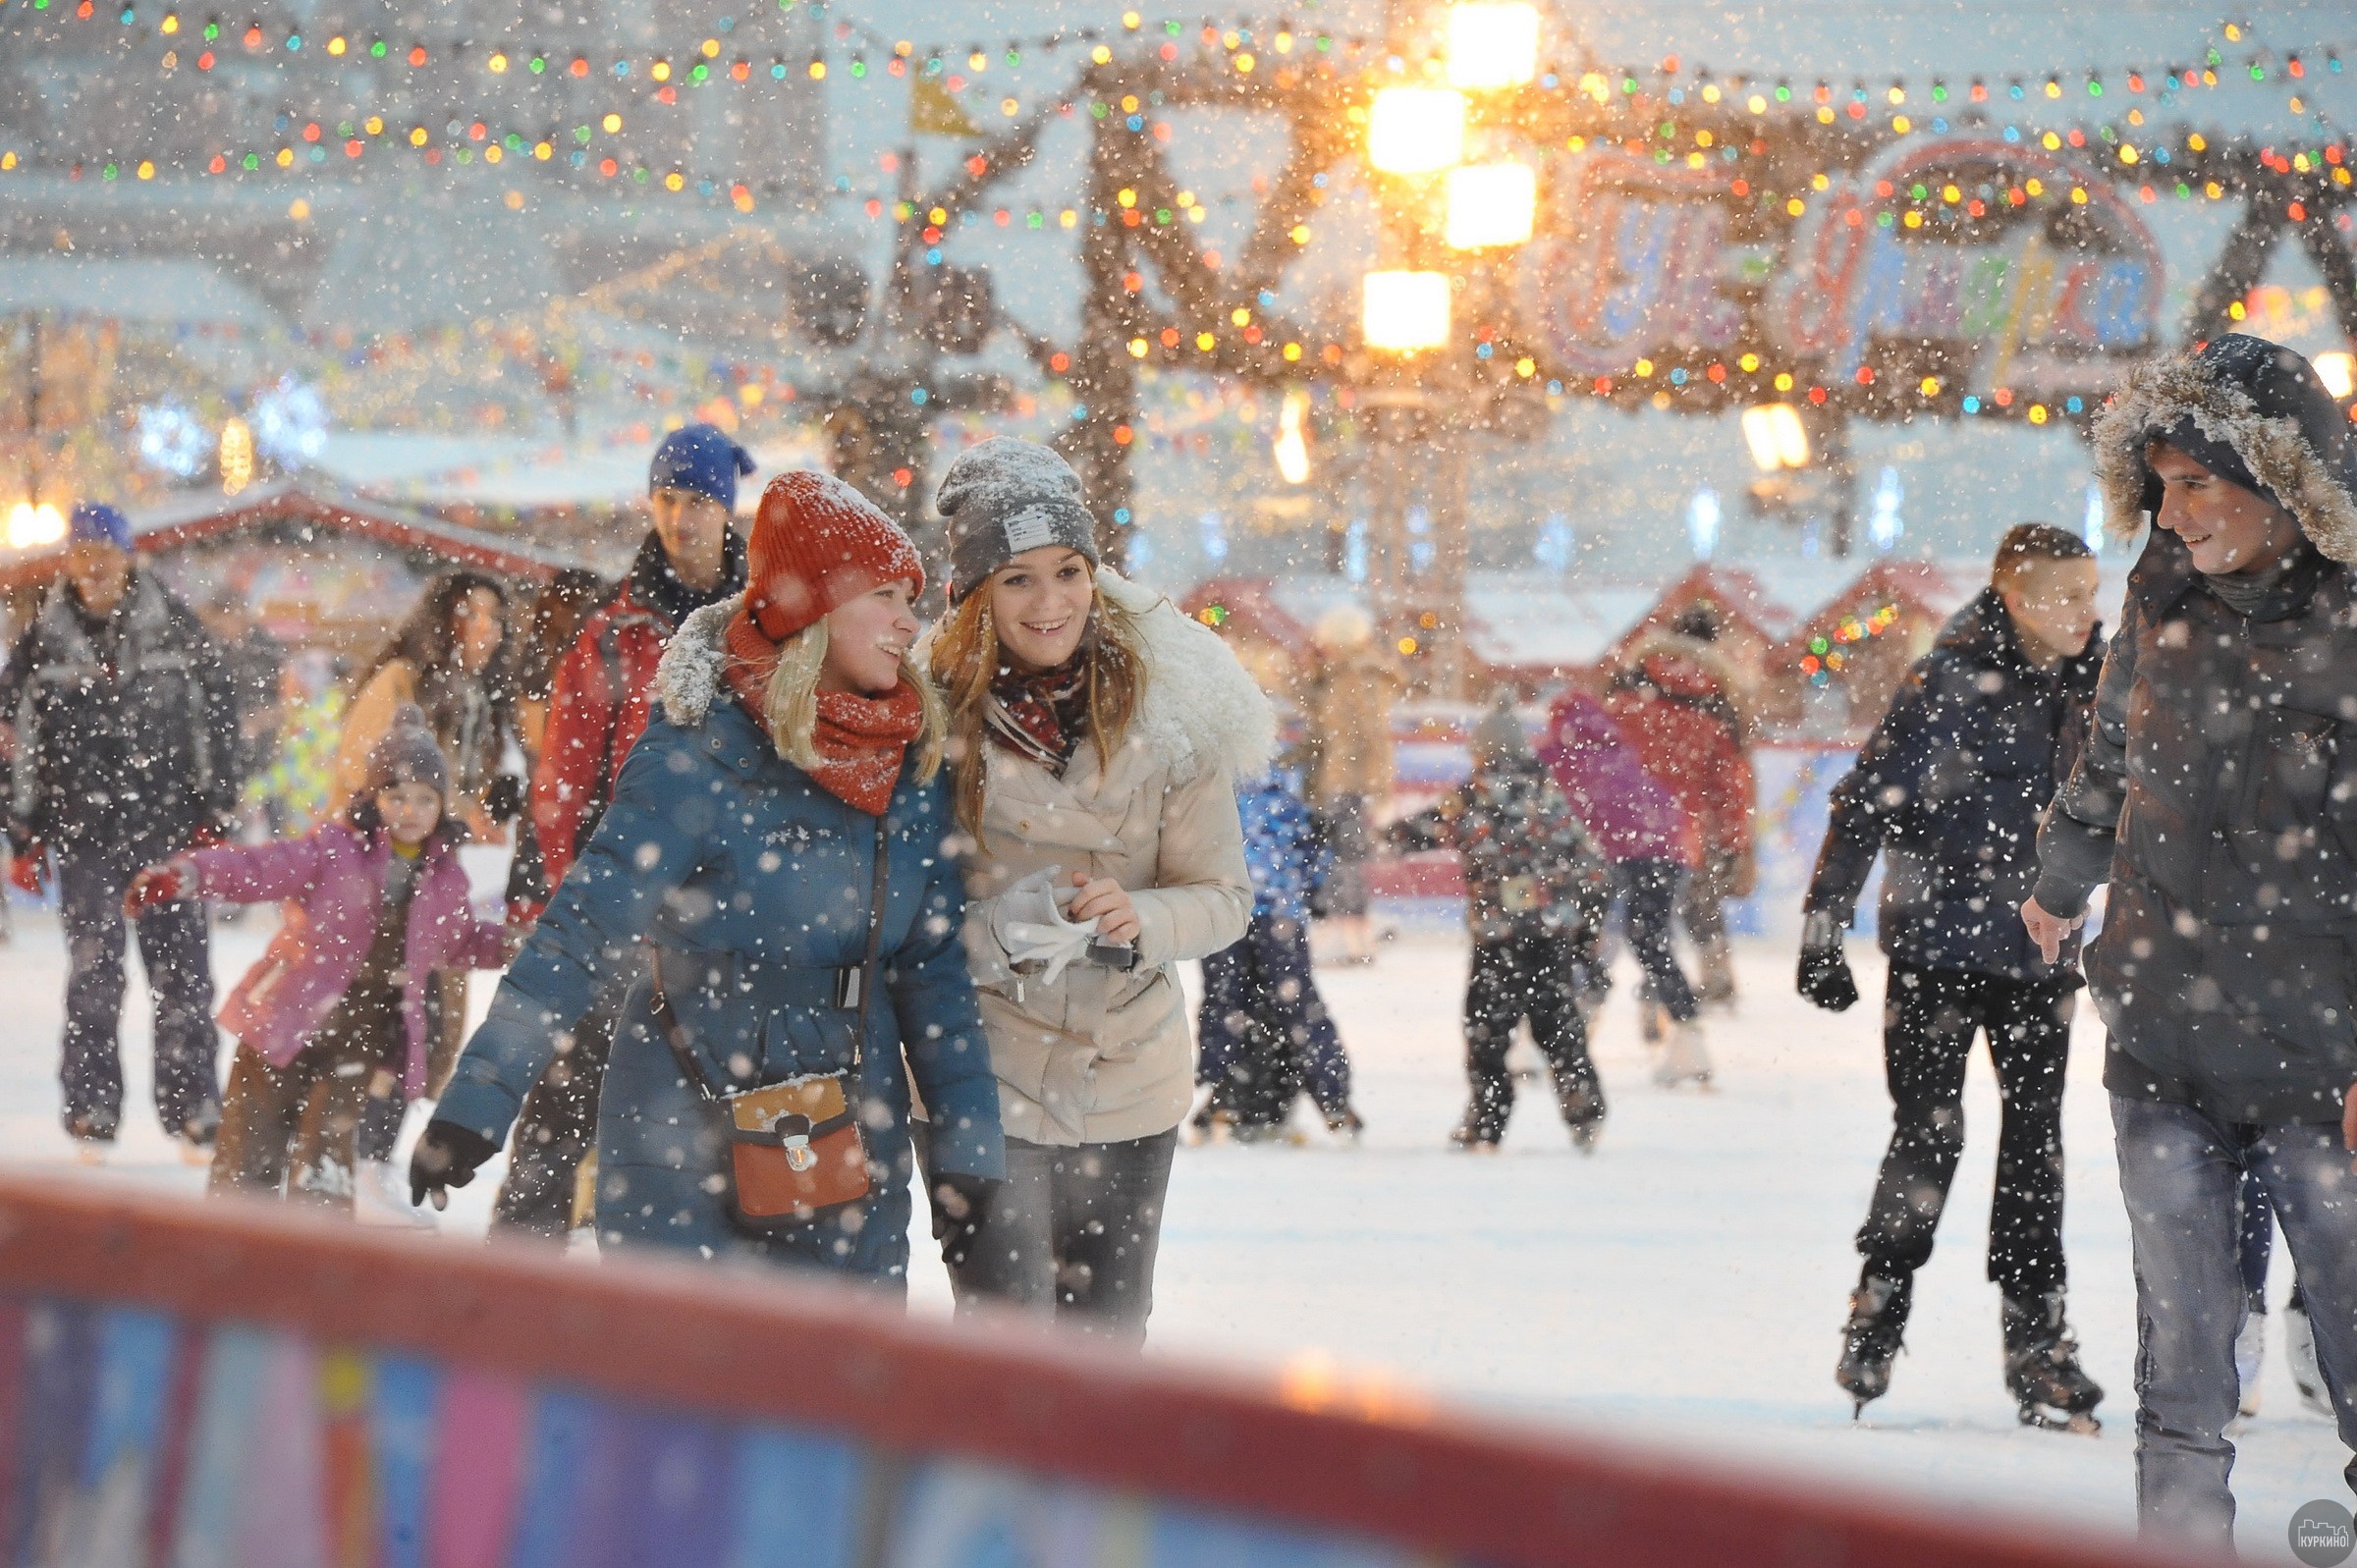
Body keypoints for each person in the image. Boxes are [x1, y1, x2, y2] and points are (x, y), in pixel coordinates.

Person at [411, 471, 1004, 1284]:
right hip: (681, 1133)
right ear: (813, 609)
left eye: (914, 596)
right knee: (682, 1396)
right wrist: (477, 1101)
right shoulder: (697, 753)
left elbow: (933, 970)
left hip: (847, 1133)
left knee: (835, 1394)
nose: (911, 621)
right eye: (886, 596)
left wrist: (967, 1151)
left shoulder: (910, 763)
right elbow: (580, 931)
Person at [2023, 334, 2357, 1546]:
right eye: (2159, 483)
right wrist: (2061, 880)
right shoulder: (2158, 588)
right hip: (2164, 1040)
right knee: (2181, 1368)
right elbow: (2110, 753)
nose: (2174, 511)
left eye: (2200, 481)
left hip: (2330, 1060)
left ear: (2283, 483)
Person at [920, 436, 1266, 1342]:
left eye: (1068, 571)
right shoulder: (924, 718)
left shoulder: (1168, 711)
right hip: (980, 1074)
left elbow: (1224, 897)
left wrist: (1142, 914)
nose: (1050, 603)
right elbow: (890, 918)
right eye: (1017, 579)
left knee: (1105, 1356)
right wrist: (1000, 930)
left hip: (1129, 1073)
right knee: (1007, 1352)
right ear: (972, 595)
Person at [1798, 523, 2107, 1431]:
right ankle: (1879, 1307)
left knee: (2034, 1144)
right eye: (2068, 595)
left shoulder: (2101, 681)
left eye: (2093, 591)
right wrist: (1824, 921)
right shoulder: (1946, 680)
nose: (2089, 611)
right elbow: (1866, 801)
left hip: (2039, 954)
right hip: (1936, 951)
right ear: (2015, 597)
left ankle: (2037, 1341)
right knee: (1928, 1135)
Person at [493, 424, 752, 1240]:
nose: (681, 516)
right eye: (668, 497)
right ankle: (516, 1271)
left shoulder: (764, 626)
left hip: (730, 913)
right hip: (623, 902)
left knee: (716, 1115)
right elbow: (564, 780)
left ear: (727, 507)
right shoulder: (611, 632)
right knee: (566, 1094)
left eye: (699, 499)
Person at [130, 705, 508, 1219]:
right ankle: (232, 1252)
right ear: (374, 799)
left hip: (358, 1039)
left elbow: (455, 943)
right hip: (286, 1018)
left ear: (442, 807)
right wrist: (190, 874)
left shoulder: (446, 878)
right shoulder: (334, 850)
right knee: (250, 1154)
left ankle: (315, 1267)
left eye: (425, 799)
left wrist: (514, 944)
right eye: (397, 795)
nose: (411, 810)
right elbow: (260, 868)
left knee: (325, 1165)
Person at [1, 502, 239, 1157]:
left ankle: (195, 1108)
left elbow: (217, 712)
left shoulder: (173, 628)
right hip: (83, 832)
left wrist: (216, 809)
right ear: (68, 560)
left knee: (184, 974)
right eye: (82, 551)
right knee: (94, 976)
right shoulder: (44, 639)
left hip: (167, 826)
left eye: (105, 550)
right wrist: (21, 832)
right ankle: (92, 1109)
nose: (94, 564)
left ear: (128, 555)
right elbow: (13, 737)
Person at [332, 569, 522, 1101]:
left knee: (434, 1027)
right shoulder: (402, 679)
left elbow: (463, 784)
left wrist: (490, 799)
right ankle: (354, 1151)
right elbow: (363, 773)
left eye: (495, 617)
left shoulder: (482, 698)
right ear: (441, 621)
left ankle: (383, 1148)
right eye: (469, 613)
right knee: (373, 1024)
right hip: (375, 875)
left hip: (435, 875)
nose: (484, 628)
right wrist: (449, 805)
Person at [1394, 696, 1612, 1151]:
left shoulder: (1473, 796)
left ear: (1484, 752)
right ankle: (1583, 1106)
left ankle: (1487, 1116)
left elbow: (1421, 831)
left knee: (1487, 1029)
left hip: (1499, 936)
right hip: (1553, 932)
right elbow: (1591, 866)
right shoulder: (1550, 797)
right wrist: (1586, 930)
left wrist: (1363, 835)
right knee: (1558, 1023)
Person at [1537, 686, 1713, 1087]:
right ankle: (1690, 1042)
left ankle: (1571, 1028)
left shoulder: (1556, 755)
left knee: (1576, 939)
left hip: (1604, 854)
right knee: (1652, 942)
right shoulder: (1622, 747)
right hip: (1667, 850)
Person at [1195, 760, 1359, 1143]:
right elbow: (1315, 852)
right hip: (1279, 916)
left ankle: (1225, 1091)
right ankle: (1333, 1097)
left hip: (1225, 912)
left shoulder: (1210, 795)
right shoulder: (1285, 800)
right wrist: (1311, 890)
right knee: (1297, 1005)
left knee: (1226, 1002)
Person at [1606, 608, 1755, 1005]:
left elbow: (1596, 754)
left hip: (1620, 821)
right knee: (1697, 902)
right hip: (1687, 827)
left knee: (1613, 911)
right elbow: (1729, 784)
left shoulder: (1627, 686)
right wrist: (1734, 840)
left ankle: (1588, 990)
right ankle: (1711, 977)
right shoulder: (1717, 701)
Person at [1301, 606, 1404, 964]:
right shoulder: (1338, 675)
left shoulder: (1359, 678)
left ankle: (1352, 937)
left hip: (1352, 783)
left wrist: (1377, 789)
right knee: (1336, 860)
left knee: (1345, 860)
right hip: (1339, 781)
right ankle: (1343, 934)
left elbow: (1373, 736)